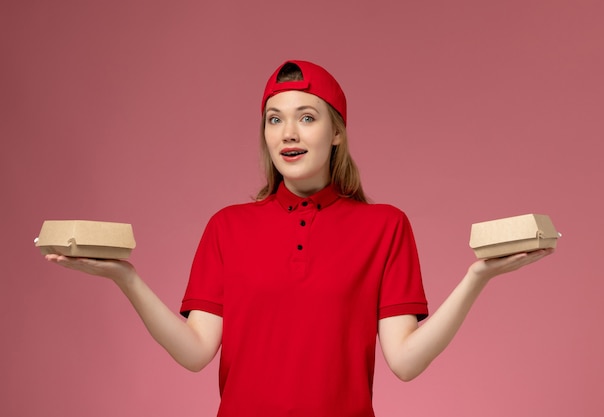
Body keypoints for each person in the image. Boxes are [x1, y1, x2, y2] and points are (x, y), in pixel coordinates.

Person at [45, 60, 554, 417]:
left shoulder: (385, 227)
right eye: (275, 119)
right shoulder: (227, 226)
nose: (287, 133)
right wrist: (125, 278)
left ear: (336, 133)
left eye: (306, 118)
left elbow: (405, 362)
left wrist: (478, 277)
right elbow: (196, 351)